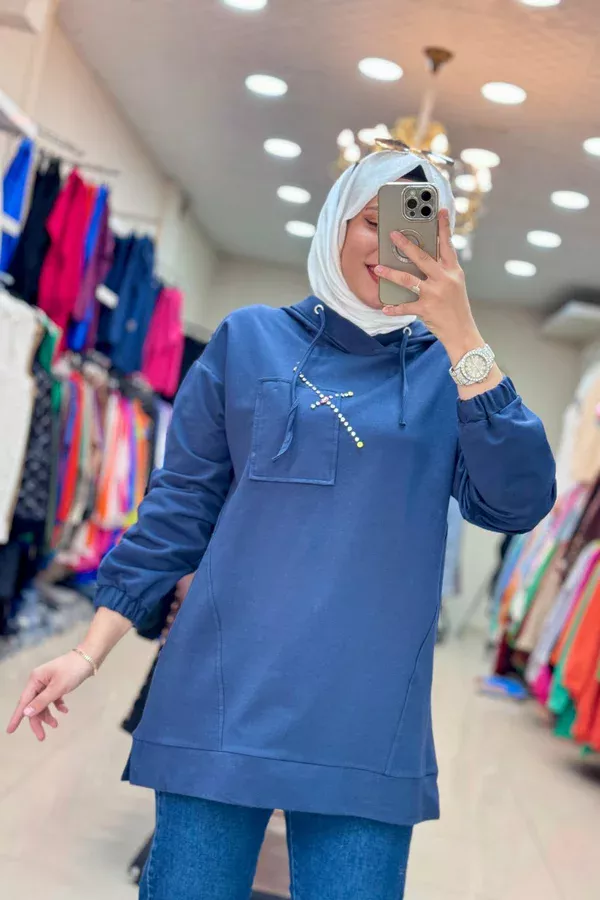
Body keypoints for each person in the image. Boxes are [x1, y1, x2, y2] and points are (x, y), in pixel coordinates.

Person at [7, 151, 556, 900]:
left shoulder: (450, 374)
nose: (395, 244)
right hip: (220, 696)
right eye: (375, 220)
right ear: (337, 223)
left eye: (421, 229)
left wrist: (464, 338)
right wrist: (87, 650)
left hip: (368, 719)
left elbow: (518, 502)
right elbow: (178, 507)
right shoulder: (249, 340)